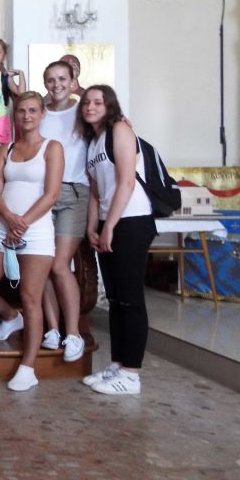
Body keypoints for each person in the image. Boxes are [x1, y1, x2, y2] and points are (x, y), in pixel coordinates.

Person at [0, 92, 63, 392]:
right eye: (21, 111)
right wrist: (9, 218)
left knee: (31, 297)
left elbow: (52, 194)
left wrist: (22, 223)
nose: (27, 116)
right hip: (1, 227)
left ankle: (28, 366)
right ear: (15, 115)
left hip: (35, 231)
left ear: (42, 114)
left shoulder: (52, 147)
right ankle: (11, 317)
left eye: (33, 110)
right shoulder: (5, 149)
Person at [79, 85, 156, 395]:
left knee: (130, 299)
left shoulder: (120, 130)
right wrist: (92, 227)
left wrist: (109, 225)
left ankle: (132, 373)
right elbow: (96, 191)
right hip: (109, 220)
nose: (90, 107)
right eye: (86, 102)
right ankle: (118, 364)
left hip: (131, 220)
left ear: (109, 105)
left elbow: (126, 182)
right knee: (114, 299)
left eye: (98, 102)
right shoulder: (93, 141)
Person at [38, 60, 88, 362]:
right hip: (44, 192)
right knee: (43, 263)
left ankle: (74, 333)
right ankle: (53, 329)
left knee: (59, 265)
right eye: (50, 79)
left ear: (72, 81)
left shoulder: (82, 109)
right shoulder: (40, 112)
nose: (56, 84)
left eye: (62, 79)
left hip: (73, 191)